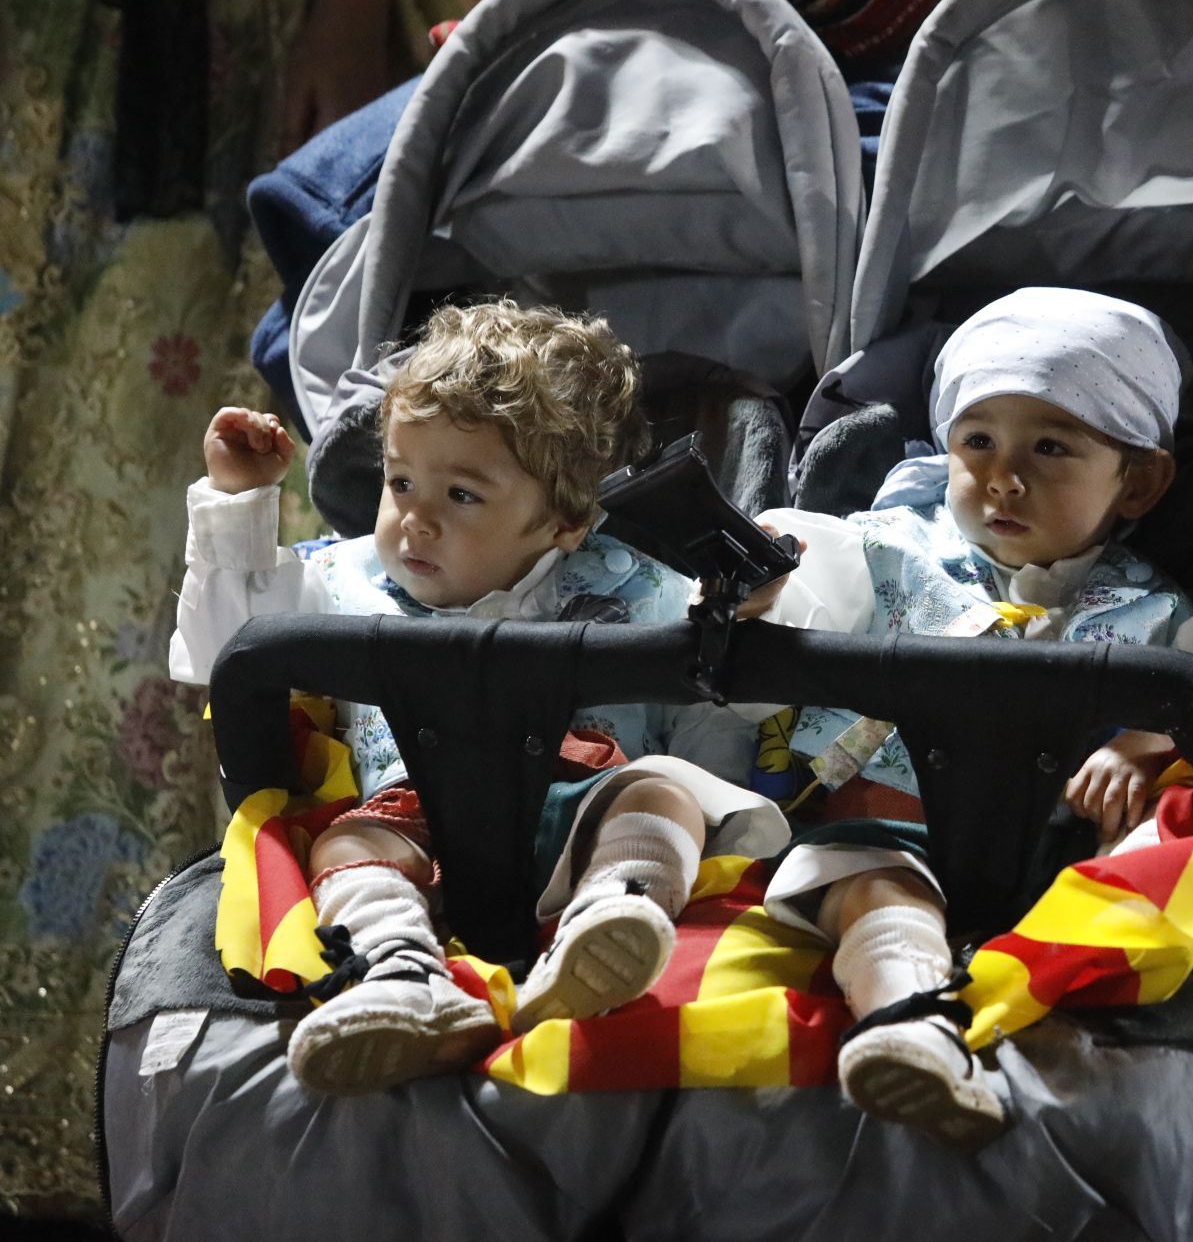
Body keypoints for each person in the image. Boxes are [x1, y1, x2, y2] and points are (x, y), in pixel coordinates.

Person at [169, 299, 786, 1094]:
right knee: (345, 847)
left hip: (586, 828)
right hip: (415, 826)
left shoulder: (642, 595)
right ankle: (400, 975)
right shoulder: (348, 581)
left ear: (566, 521)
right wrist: (240, 503)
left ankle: (609, 925)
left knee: (665, 794)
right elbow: (230, 648)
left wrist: (742, 617)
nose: (414, 521)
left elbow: (722, 723)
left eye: (461, 496)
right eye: (400, 481)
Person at [749, 287, 1193, 1146]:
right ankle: (911, 1025)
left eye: (1051, 447)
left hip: (1059, 863)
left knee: (1160, 852)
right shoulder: (885, 550)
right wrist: (763, 586)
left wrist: (1143, 747)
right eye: (977, 441)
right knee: (881, 900)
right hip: (885, 830)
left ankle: (1081, 1007)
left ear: (1139, 482)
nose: (1003, 478)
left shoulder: (1160, 608)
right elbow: (805, 589)